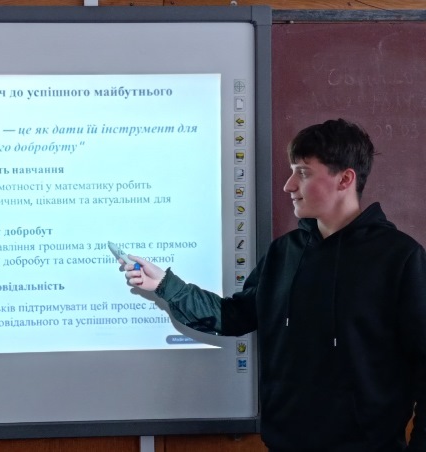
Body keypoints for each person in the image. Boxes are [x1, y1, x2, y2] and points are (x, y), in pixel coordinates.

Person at [120, 119, 426, 452]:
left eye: (303, 173)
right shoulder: (285, 252)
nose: (288, 185)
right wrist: (166, 284)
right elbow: (233, 316)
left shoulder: (399, 258)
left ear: (345, 179)